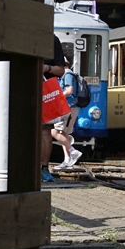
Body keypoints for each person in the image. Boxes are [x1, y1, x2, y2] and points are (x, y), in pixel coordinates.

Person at [40, 36, 67, 182]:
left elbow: (61, 70)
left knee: (45, 132)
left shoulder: (51, 39)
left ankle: (44, 168)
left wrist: (46, 68)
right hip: (22, 89)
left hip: (45, 94)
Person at [54, 56, 83, 170]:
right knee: (63, 134)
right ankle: (67, 160)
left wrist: (57, 98)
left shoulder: (67, 75)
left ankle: (73, 152)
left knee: (55, 132)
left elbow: (69, 90)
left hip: (68, 107)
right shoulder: (67, 74)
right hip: (70, 107)